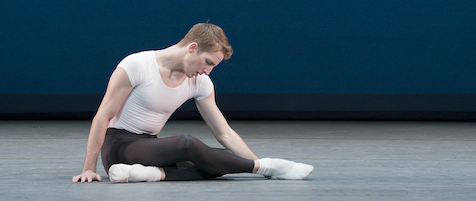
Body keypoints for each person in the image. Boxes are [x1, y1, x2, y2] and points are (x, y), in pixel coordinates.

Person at [73, 23, 314, 183]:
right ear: (192, 48)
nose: (207, 71)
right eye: (207, 62)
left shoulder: (199, 82)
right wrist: (89, 169)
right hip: (119, 147)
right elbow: (102, 116)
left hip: (152, 148)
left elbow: (224, 133)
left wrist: (250, 160)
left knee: (214, 159)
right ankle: (270, 167)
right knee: (187, 144)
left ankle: (155, 174)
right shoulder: (137, 65)